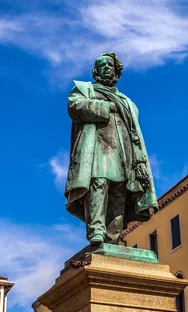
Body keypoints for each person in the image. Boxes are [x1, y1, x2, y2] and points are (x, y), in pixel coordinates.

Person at [65, 52, 158, 245]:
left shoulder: (126, 101)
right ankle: (96, 231)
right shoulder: (84, 89)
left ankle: (113, 237)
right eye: (102, 65)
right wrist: (106, 107)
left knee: (120, 190)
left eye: (110, 65)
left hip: (124, 150)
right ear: (96, 71)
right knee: (98, 184)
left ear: (116, 72)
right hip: (97, 147)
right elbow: (75, 107)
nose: (107, 68)